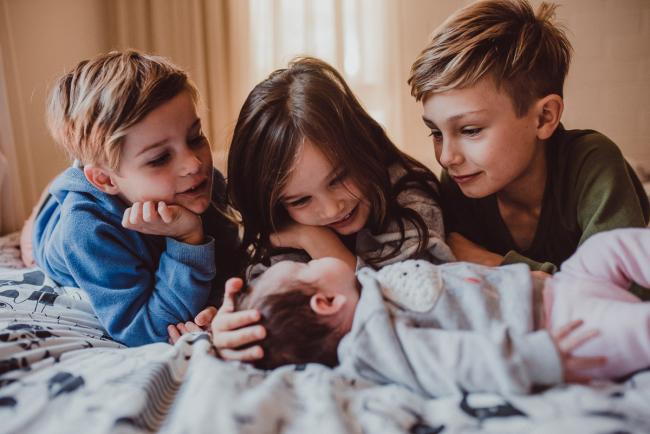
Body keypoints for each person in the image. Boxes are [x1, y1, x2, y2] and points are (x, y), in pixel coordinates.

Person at [188, 57, 454, 360]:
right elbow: (280, 315)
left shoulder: (410, 197)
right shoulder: (282, 223)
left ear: (363, 147)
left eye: (338, 178)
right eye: (301, 199)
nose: (330, 209)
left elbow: (412, 304)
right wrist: (232, 327)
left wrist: (317, 243)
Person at [232, 228, 650, 397]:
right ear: (325, 302)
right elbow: (452, 364)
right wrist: (537, 359)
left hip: (559, 285)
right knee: (632, 330)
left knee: (609, 246)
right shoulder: (373, 341)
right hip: (557, 327)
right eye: (306, 266)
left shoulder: (370, 287)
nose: (313, 260)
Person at [407, 0, 649, 274]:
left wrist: (497, 263)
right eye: (436, 133)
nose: (447, 157)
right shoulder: (460, 181)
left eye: (471, 130)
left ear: (545, 117)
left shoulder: (593, 162)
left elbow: (618, 287)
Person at [31, 50, 241, 346]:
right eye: (159, 158)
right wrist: (188, 240)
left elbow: (230, 261)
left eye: (195, 138)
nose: (194, 163)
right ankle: (37, 216)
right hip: (53, 228)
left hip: (108, 179)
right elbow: (142, 328)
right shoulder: (85, 231)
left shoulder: (202, 184)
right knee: (44, 222)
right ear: (105, 180)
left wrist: (221, 303)